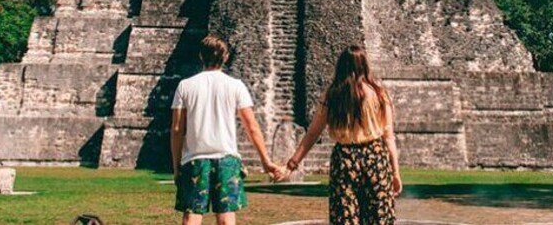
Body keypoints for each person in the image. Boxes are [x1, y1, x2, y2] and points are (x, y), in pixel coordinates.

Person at [171, 35, 286, 225]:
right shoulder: (235, 86)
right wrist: (265, 160)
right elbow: (252, 127)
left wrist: (176, 166)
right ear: (225, 57)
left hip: (195, 159)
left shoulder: (185, 86)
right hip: (227, 159)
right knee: (226, 219)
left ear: (201, 56)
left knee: (192, 217)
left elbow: (176, 129)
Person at [283, 44, 402, 225]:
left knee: (344, 216)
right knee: (379, 217)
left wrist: (293, 163)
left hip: (345, 158)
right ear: (365, 65)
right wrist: (395, 172)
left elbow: (313, 133)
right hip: (375, 156)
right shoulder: (378, 94)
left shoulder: (332, 95)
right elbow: (389, 138)